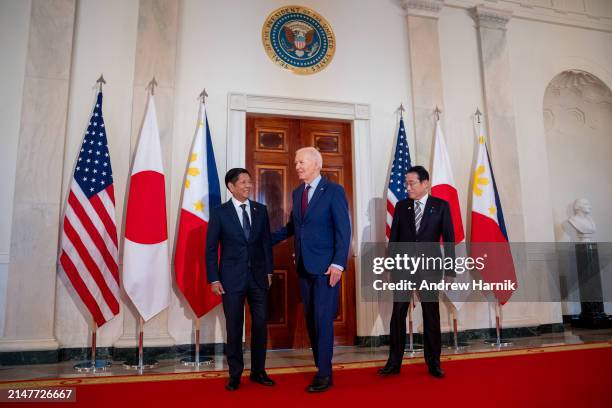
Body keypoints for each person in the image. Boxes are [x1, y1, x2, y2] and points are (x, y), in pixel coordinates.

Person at [272, 147, 351, 393]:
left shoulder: (334, 191)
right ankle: (321, 366)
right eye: (295, 162)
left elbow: (343, 230)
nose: (296, 166)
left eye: (301, 162)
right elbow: (294, 226)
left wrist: (338, 263)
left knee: (322, 320)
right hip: (304, 267)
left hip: (327, 268)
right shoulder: (298, 193)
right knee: (311, 321)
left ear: (316, 164)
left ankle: (325, 375)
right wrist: (263, 238)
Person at [378, 165, 455, 379]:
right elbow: (394, 239)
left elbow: (448, 240)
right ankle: (394, 363)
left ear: (425, 183)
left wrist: (450, 271)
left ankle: (434, 363)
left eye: (411, 183)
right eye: (406, 183)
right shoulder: (402, 207)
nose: (407, 187)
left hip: (430, 269)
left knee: (431, 315)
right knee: (398, 314)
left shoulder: (441, 206)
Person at [206, 168, 274, 391]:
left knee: (261, 325)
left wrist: (269, 271)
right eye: (243, 182)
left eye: (249, 181)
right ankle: (235, 374)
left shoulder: (260, 210)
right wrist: (214, 279)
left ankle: (258, 371)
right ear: (231, 186)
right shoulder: (220, 213)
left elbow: (266, 244)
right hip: (230, 279)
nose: (248, 185)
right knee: (234, 328)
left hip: (258, 279)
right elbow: (210, 249)